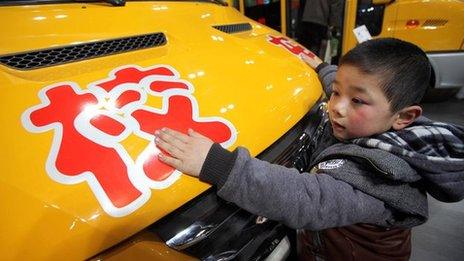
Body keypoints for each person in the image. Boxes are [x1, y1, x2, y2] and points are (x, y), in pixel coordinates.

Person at [154, 38, 464, 260]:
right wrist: (322, 67)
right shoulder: (377, 125)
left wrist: (218, 164)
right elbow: (340, 85)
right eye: (337, 92)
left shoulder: (383, 179)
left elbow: (307, 199)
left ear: (403, 117)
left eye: (356, 100)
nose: (336, 108)